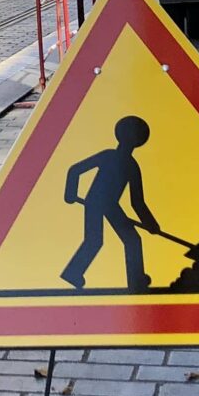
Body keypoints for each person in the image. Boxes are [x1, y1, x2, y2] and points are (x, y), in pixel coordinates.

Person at [60, 115, 160, 292]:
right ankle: (73, 273)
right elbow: (75, 170)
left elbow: (137, 201)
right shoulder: (120, 161)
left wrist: (150, 223)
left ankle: (136, 280)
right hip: (95, 202)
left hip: (110, 204)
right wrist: (70, 193)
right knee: (96, 240)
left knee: (130, 240)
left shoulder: (125, 163)